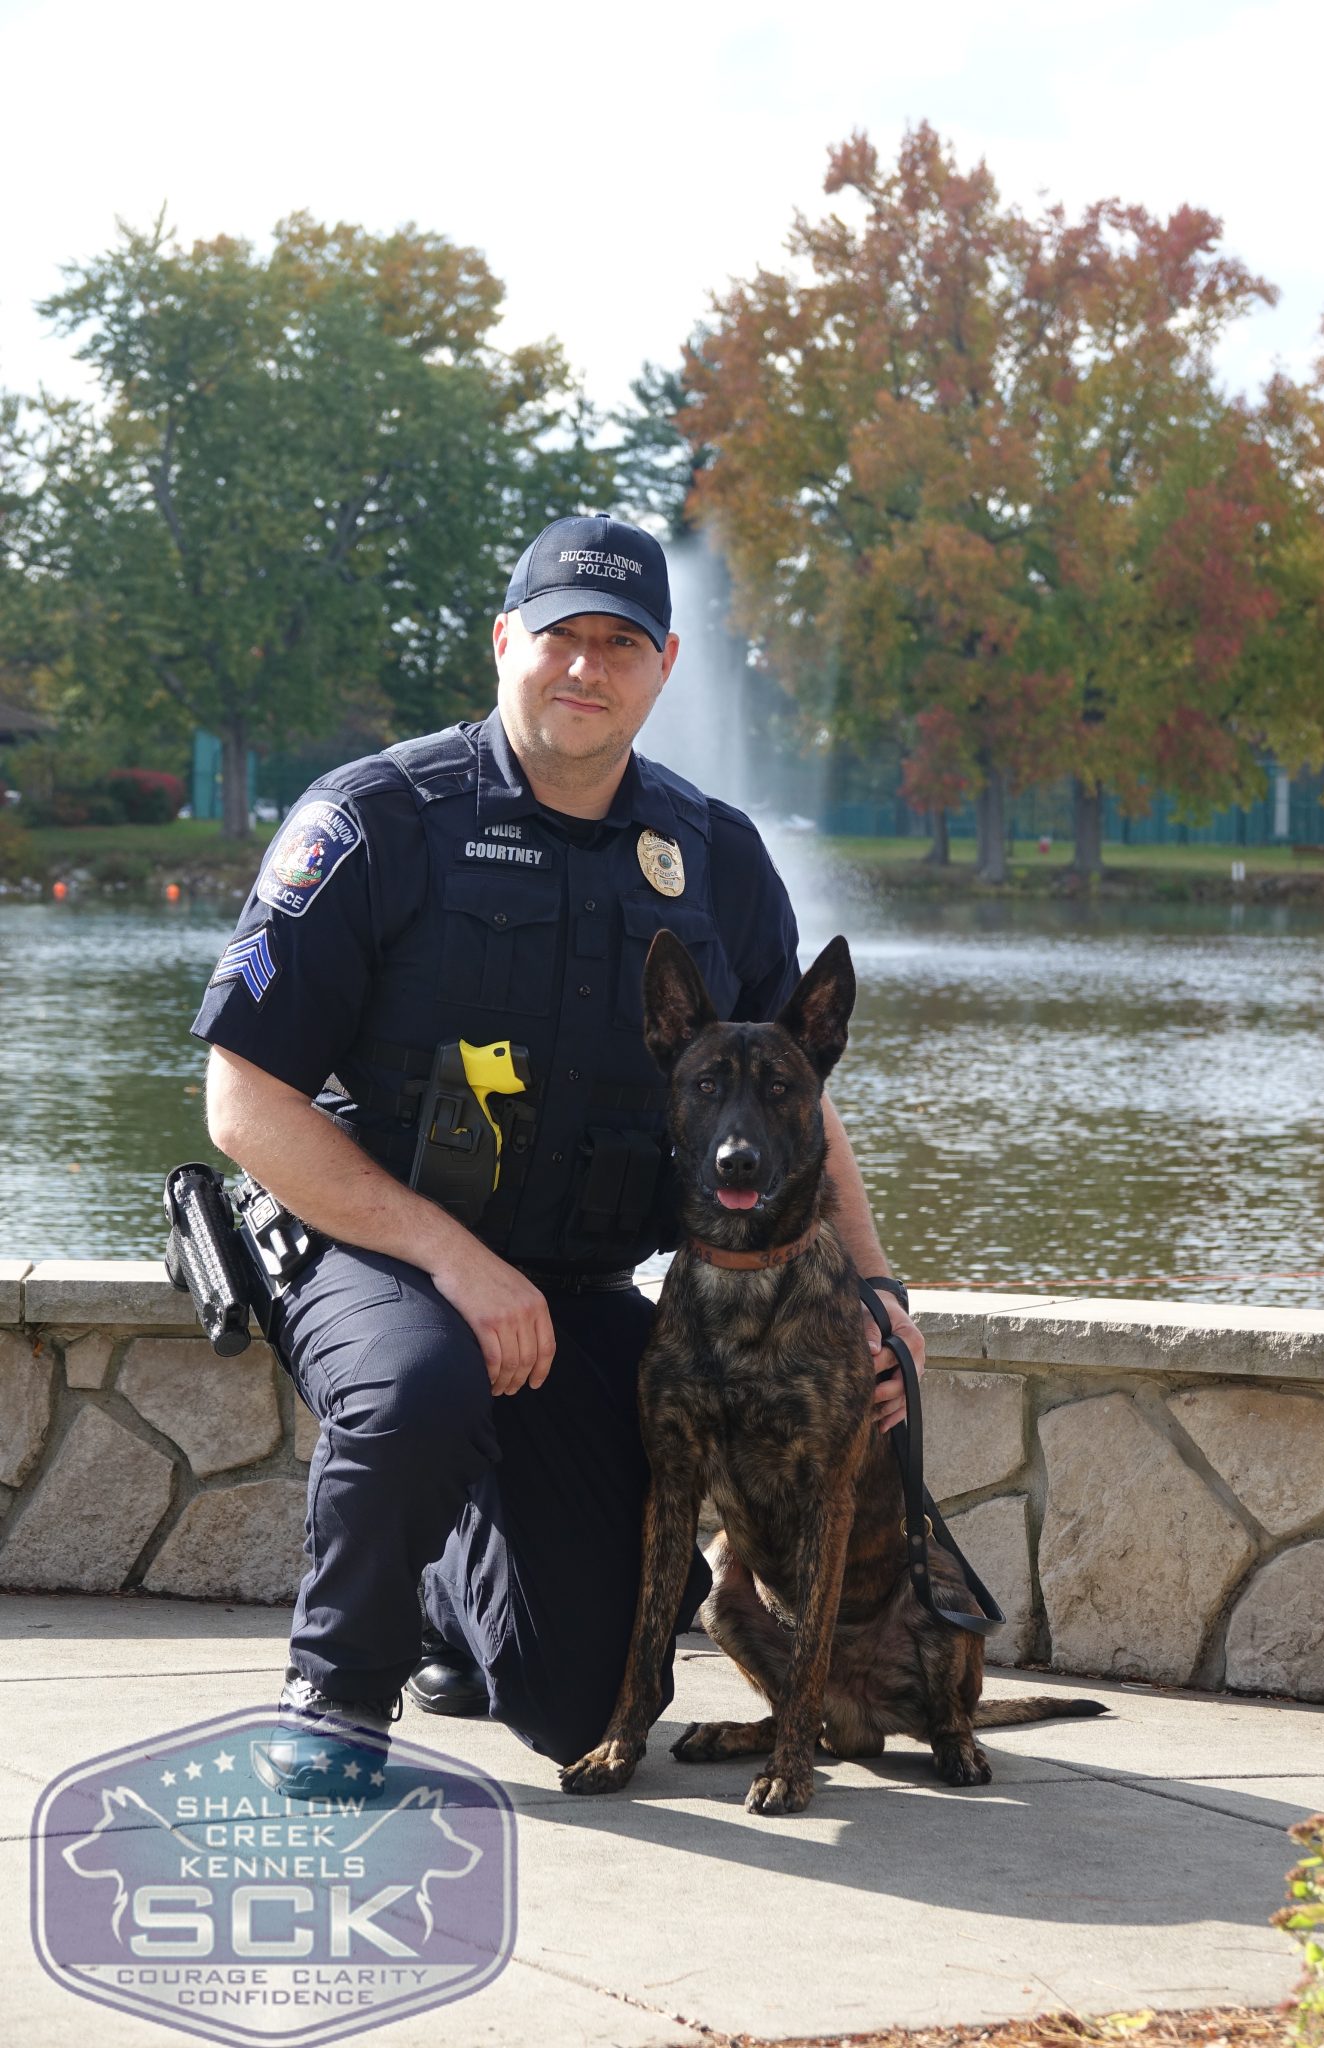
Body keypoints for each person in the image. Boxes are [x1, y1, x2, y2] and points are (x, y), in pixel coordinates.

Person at [192, 513, 924, 1795]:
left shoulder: (714, 854)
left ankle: (449, 1605)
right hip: (383, 1249)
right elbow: (243, 1101)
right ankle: (337, 1703)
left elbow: (792, 1090)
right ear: (502, 644)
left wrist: (875, 1286)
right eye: (559, 637)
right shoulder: (375, 821)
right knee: (419, 1389)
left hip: (577, 1289)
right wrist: (454, 1261)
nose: (585, 667)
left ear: (663, 666)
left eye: (619, 644)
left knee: (591, 1692)